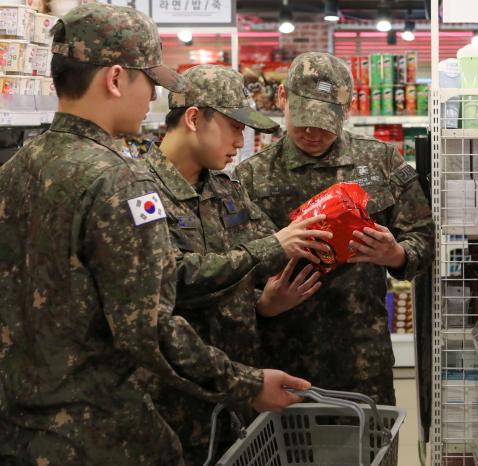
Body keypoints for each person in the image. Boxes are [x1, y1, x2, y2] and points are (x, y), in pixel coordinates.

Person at [0, 5, 309, 465]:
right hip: (101, 436)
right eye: (151, 83)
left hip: (20, 428)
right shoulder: (120, 182)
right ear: (116, 79)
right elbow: (148, 329)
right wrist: (246, 384)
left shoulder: (15, 170)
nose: (153, 99)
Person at [139, 64, 330, 464]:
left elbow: (263, 256)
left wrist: (264, 302)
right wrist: (272, 247)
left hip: (239, 392)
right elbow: (172, 277)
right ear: (194, 118)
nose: (240, 142)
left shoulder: (226, 188)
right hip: (173, 402)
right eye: (234, 128)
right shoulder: (139, 192)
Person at [236, 52, 435, 407]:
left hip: (362, 358)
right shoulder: (250, 176)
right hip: (283, 361)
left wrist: (397, 254)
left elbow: (423, 236)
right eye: (304, 120)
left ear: (348, 109)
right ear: (282, 98)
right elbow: (231, 267)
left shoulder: (381, 161)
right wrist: (262, 304)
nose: (313, 132)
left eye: (326, 121)